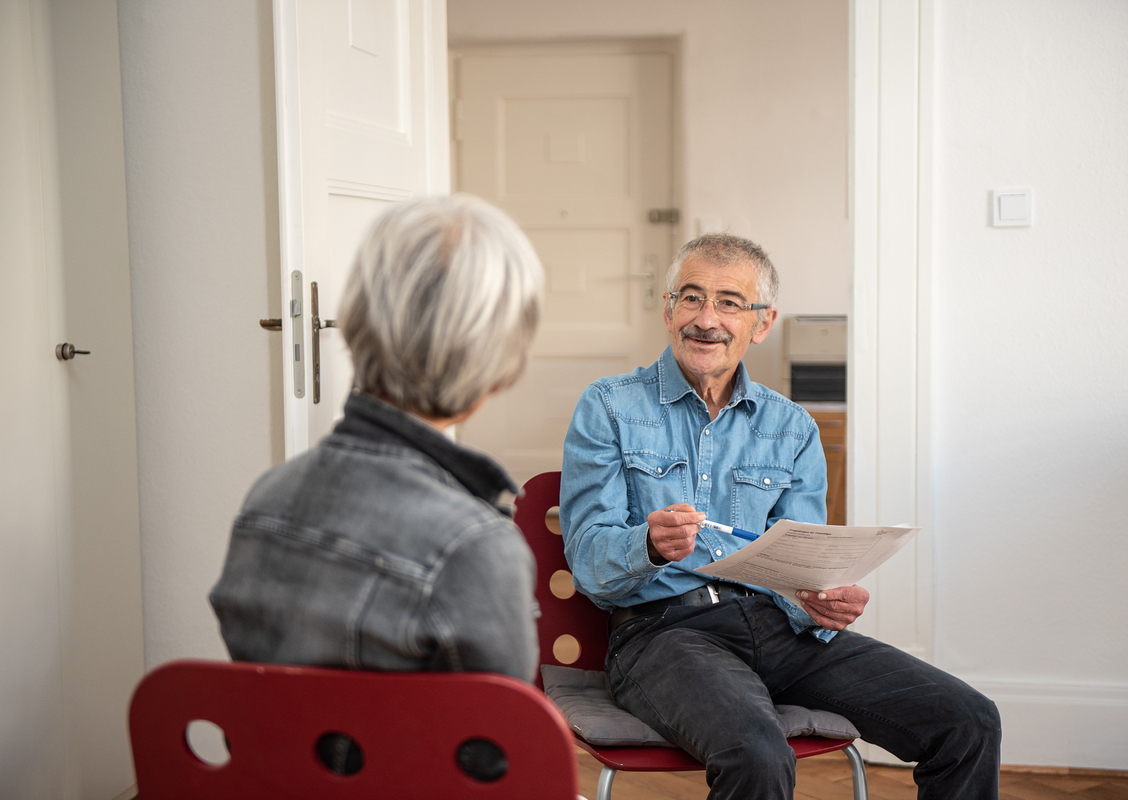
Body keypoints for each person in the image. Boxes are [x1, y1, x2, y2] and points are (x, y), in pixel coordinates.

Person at [560, 233, 1001, 800]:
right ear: (668, 312)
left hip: (778, 628)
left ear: (761, 323)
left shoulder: (792, 427)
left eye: (728, 303)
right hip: (662, 634)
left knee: (969, 721)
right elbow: (591, 563)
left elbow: (801, 562)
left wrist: (823, 598)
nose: (706, 319)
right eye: (690, 298)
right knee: (757, 752)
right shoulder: (609, 405)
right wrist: (646, 545)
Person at [210, 194, 544, 688]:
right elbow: (499, 754)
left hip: (267, 768)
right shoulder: (477, 548)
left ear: (358, 319)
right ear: (499, 365)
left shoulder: (266, 498)